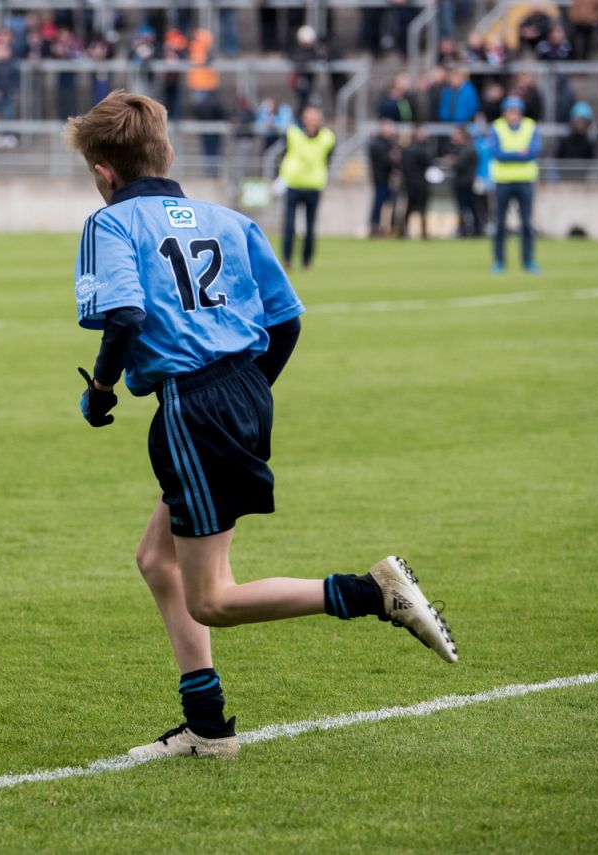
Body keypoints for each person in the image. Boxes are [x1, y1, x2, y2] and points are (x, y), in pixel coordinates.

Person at [63, 90, 457, 759]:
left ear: (104, 173)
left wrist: (101, 388)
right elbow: (287, 320)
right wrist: (244, 392)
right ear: (171, 153)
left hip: (193, 404)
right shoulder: (231, 219)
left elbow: (125, 316)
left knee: (212, 596)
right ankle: (209, 727)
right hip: (241, 389)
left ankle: (372, 592)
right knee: (156, 557)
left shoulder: (111, 225)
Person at [487, 96, 540, 274]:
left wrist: (510, 154)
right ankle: (499, 261)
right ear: (505, 112)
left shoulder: (530, 126)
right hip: (503, 181)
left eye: (516, 111)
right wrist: (519, 153)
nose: (513, 115)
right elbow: (497, 153)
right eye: (510, 111)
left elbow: (533, 152)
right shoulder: (497, 127)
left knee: (526, 223)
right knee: (500, 223)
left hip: (525, 180)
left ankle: (528, 261)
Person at [278, 104, 335, 270]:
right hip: (294, 183)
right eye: (310, 116)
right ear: (303, 118)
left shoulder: (327, 137)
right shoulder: (292, 133)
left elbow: (328, 158)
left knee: (310, 226)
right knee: (289, 225)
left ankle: (306, 261)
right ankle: (287, 259)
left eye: (316, 117)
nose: (312, 120)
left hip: (313, 185)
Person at [367, 117, 400, 237]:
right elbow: (383, 161)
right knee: (379, 203)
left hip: (390, 179)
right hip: (380, 178)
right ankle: (375, 227)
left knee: (391, 204)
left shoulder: (392, 143)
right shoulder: (376, 143)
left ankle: (390, 227)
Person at [399, 123, 432, 240]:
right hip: (418, 183)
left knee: (409, 208)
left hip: (409, 183)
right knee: (421, 208)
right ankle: (423, 232)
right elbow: (428, 161)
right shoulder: (421, 149)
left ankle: (404, 231)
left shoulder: (406, 149)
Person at [450, 124, 480, 236]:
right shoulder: (463, 148)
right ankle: (471, 229)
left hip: (466, 184)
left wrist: (452, 161)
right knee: (468, 208)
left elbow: (459, 164)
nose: (453, 137)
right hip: (465, 182)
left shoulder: (468, 149)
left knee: (468, 208)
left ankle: (470, 230)